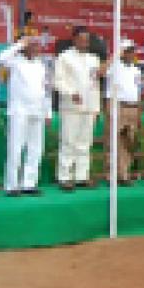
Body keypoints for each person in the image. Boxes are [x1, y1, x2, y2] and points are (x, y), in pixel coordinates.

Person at [53, 26, 104, 191]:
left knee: (85, 143)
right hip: (71, 106)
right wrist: (71, 92)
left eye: (87, 40)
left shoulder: (94, 59)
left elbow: (95, 83)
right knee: (69, 142)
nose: (85, 42)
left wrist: (96, 108)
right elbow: (58, 81)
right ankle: (64, 177)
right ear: (74, 39)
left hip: (89, 106)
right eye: (81, 39)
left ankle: (82, 177)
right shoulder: (64, 57)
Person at [0, 36, 51, 196]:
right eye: (33, 45)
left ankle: (29, 183)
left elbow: (46, 90)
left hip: (37, 111)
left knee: (36, 148)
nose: (37, 48)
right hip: (19, 111)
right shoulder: (15, 61)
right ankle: (11, 185)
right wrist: (21, 43)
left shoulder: (41, 65)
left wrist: (47, 112)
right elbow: (1, 58)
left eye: (38, 45)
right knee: (15, 147)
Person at [106, 40, 144, 184]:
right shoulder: (114, 67)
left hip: (133, 107)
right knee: (114, 141)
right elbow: (102, 72)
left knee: (128, 141)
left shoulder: (136, 70)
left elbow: (139, 91)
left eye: (132, 51)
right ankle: (112, 174)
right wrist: (116, 55)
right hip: (118, 106)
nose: (130, 54)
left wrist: (139, 110)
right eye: (127, 51)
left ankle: (124, 174)